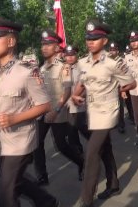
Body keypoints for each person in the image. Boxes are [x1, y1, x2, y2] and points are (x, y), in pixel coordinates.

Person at [0, 14, 58, 207]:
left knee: (6, 193)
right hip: (0, 141)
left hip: (20, 141)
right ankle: (46, 201)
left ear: (11, 41)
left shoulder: (27, 72)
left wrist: (14, 118)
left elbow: (45, 105)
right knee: (15, 181)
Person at [72, 19, 136, 207]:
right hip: (91, 111)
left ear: (104, 41)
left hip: (108, 112)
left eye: (95, 38)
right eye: (88, 38)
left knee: (91, 153)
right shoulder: (82, 63)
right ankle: (113, 183)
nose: (90, 42)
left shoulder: (113, 64)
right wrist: (76, 95)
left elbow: (131, 82)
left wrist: (122, 88)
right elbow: (83, 82)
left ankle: (86, 199)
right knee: (105, 148)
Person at [33, 29, 84, 185]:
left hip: (58, 111)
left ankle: (82, 162)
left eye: (48, 44)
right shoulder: (41, 69)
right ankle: (42, 174)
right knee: (37, 142)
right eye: (42, 45)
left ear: (57, 48)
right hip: (43, 112)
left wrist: (56, 110)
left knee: (61, 145)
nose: (44, 48)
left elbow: (68, 91)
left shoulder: (64, 67)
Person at [64, 45, 85, 155]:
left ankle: (99, 148)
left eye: (72, 55)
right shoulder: (63, 69)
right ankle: (78, 150)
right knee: (71, 132)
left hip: (80, 104)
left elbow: (85, 85)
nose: (70, 57)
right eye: (67, 55)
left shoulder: (82, 67)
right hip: (67, 105)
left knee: (84, 129)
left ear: (76, 55)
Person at [108, 42, 126, 133]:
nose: (112, 52)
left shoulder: (121, 61)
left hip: (118, 87)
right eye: (110, 50)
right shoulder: (106, 61)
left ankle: (121, 125)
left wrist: (123, 90)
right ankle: (114, 123)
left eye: (114, 50)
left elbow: (123, 76)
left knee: (119, 107)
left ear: (117, 51)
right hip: (108, 88)